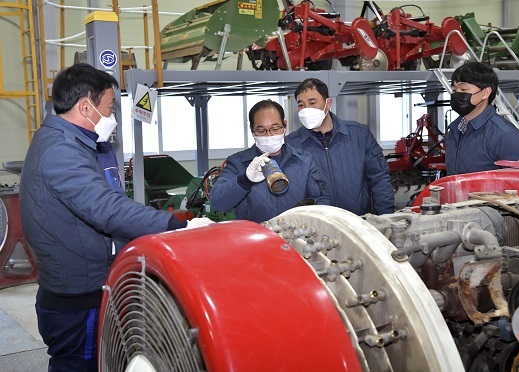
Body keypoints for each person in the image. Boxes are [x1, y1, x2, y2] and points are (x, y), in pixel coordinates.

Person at [19, 63, 209, 371]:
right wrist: (177, 225)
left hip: (83, 286)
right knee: (80, 364)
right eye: (109, 108)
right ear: (85, 107)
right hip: (77, 298)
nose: (113, 118)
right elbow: (106, 208)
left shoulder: (72, 143)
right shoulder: (61, 151)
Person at [286, 78, 394, 216]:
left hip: (360, 222)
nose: (306, 109)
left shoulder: (359, 134)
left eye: (312, 103)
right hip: (318, 228)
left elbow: (380, 179)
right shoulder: (291, 145)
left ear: (328, 103)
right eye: (301, 105)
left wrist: (384, 218)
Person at [209, 99, 330, 222]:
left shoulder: (304, 161)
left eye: (275, 128)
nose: (269, 135)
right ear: (252, 130)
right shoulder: (237, 163)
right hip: (256, 238)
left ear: (284, 126)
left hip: (296, 235)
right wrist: (245, 180)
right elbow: (219, 203)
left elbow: (322, 200)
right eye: (261, 130)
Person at [445, 61, 519, 175]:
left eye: (464, 89)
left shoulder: (506, 136)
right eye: (454, 90)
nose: (457, 94)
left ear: (486, 92)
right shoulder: (454, 131)